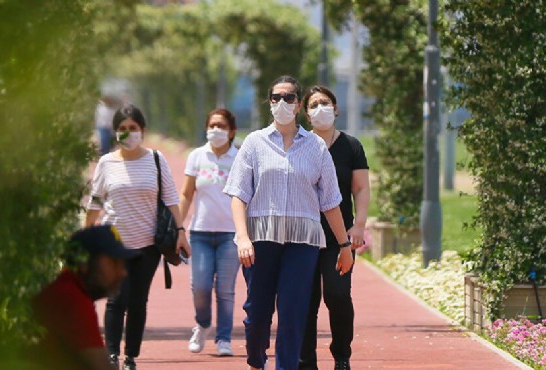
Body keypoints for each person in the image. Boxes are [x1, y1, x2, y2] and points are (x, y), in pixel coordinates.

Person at [223, 75, 354, 370]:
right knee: (258, 312)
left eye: (289, 98)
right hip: (261, 241)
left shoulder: (316, 148)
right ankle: (256, 355)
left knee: (294, 311)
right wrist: (242, 237)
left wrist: (344, 245)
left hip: (303, 243)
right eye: (276, 98)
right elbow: (238, 194)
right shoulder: (254, 144)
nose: (282, 103)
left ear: (298, 105)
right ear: (269, 103)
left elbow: (331, 202)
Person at [85, 103, 191, 370]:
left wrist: (180, 232)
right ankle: (111, 355)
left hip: (147, 245)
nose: (128, 133)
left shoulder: (156, 159)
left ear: (142, 131)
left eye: (133, 128)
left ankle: (131, 356)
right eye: (122, 129)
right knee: (115, 299)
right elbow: (95, 203)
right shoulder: (107, 163)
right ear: (115, 132)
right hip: (114, 244)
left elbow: (170, 198)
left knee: (137, 301)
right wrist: (87, 238)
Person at [298, 85, 370, 370]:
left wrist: (359, 225)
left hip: (339, 238)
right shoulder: (299, 144)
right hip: (301, 236)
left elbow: (361, 188)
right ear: (305, 114)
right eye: (313, 105)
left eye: (325, 103)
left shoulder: (351, 146)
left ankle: (341, 355)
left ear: (336, 109)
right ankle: (306, 362)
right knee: (305, 300)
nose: (320, 109)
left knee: (337, 295)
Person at [179, 108, 241, 356]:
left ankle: (224, 338)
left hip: (230, 234)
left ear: (232, 131)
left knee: (225, 289)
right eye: (212, 125)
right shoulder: (197, 156)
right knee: (201, 286)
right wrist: (178, 228)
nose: (216, 130)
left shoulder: (239, 158)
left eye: (222, 126)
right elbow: (186, 194)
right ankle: (203, 324)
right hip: (200, 233)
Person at [32, 225, 138, 370]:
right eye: (114, 262)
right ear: (84, 263)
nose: (122, 272)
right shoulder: (70, 298)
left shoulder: (68, 290)